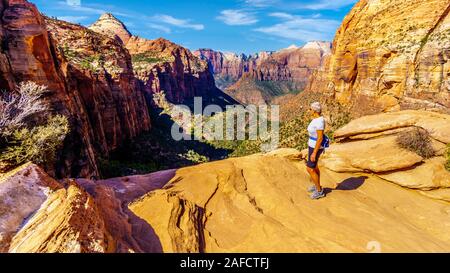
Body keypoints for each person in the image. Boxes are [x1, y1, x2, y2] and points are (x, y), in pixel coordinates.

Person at [306, 102, 326, 199]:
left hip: (315, 147)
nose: (309, 110)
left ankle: (319, 191)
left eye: (310, 109)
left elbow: (320, 138)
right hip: (312, 146)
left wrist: (314, 153)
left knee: (310, 168)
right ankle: (316, 184)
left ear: (314, 111)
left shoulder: (319, 122)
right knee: (315, 167)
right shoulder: (316, 119)